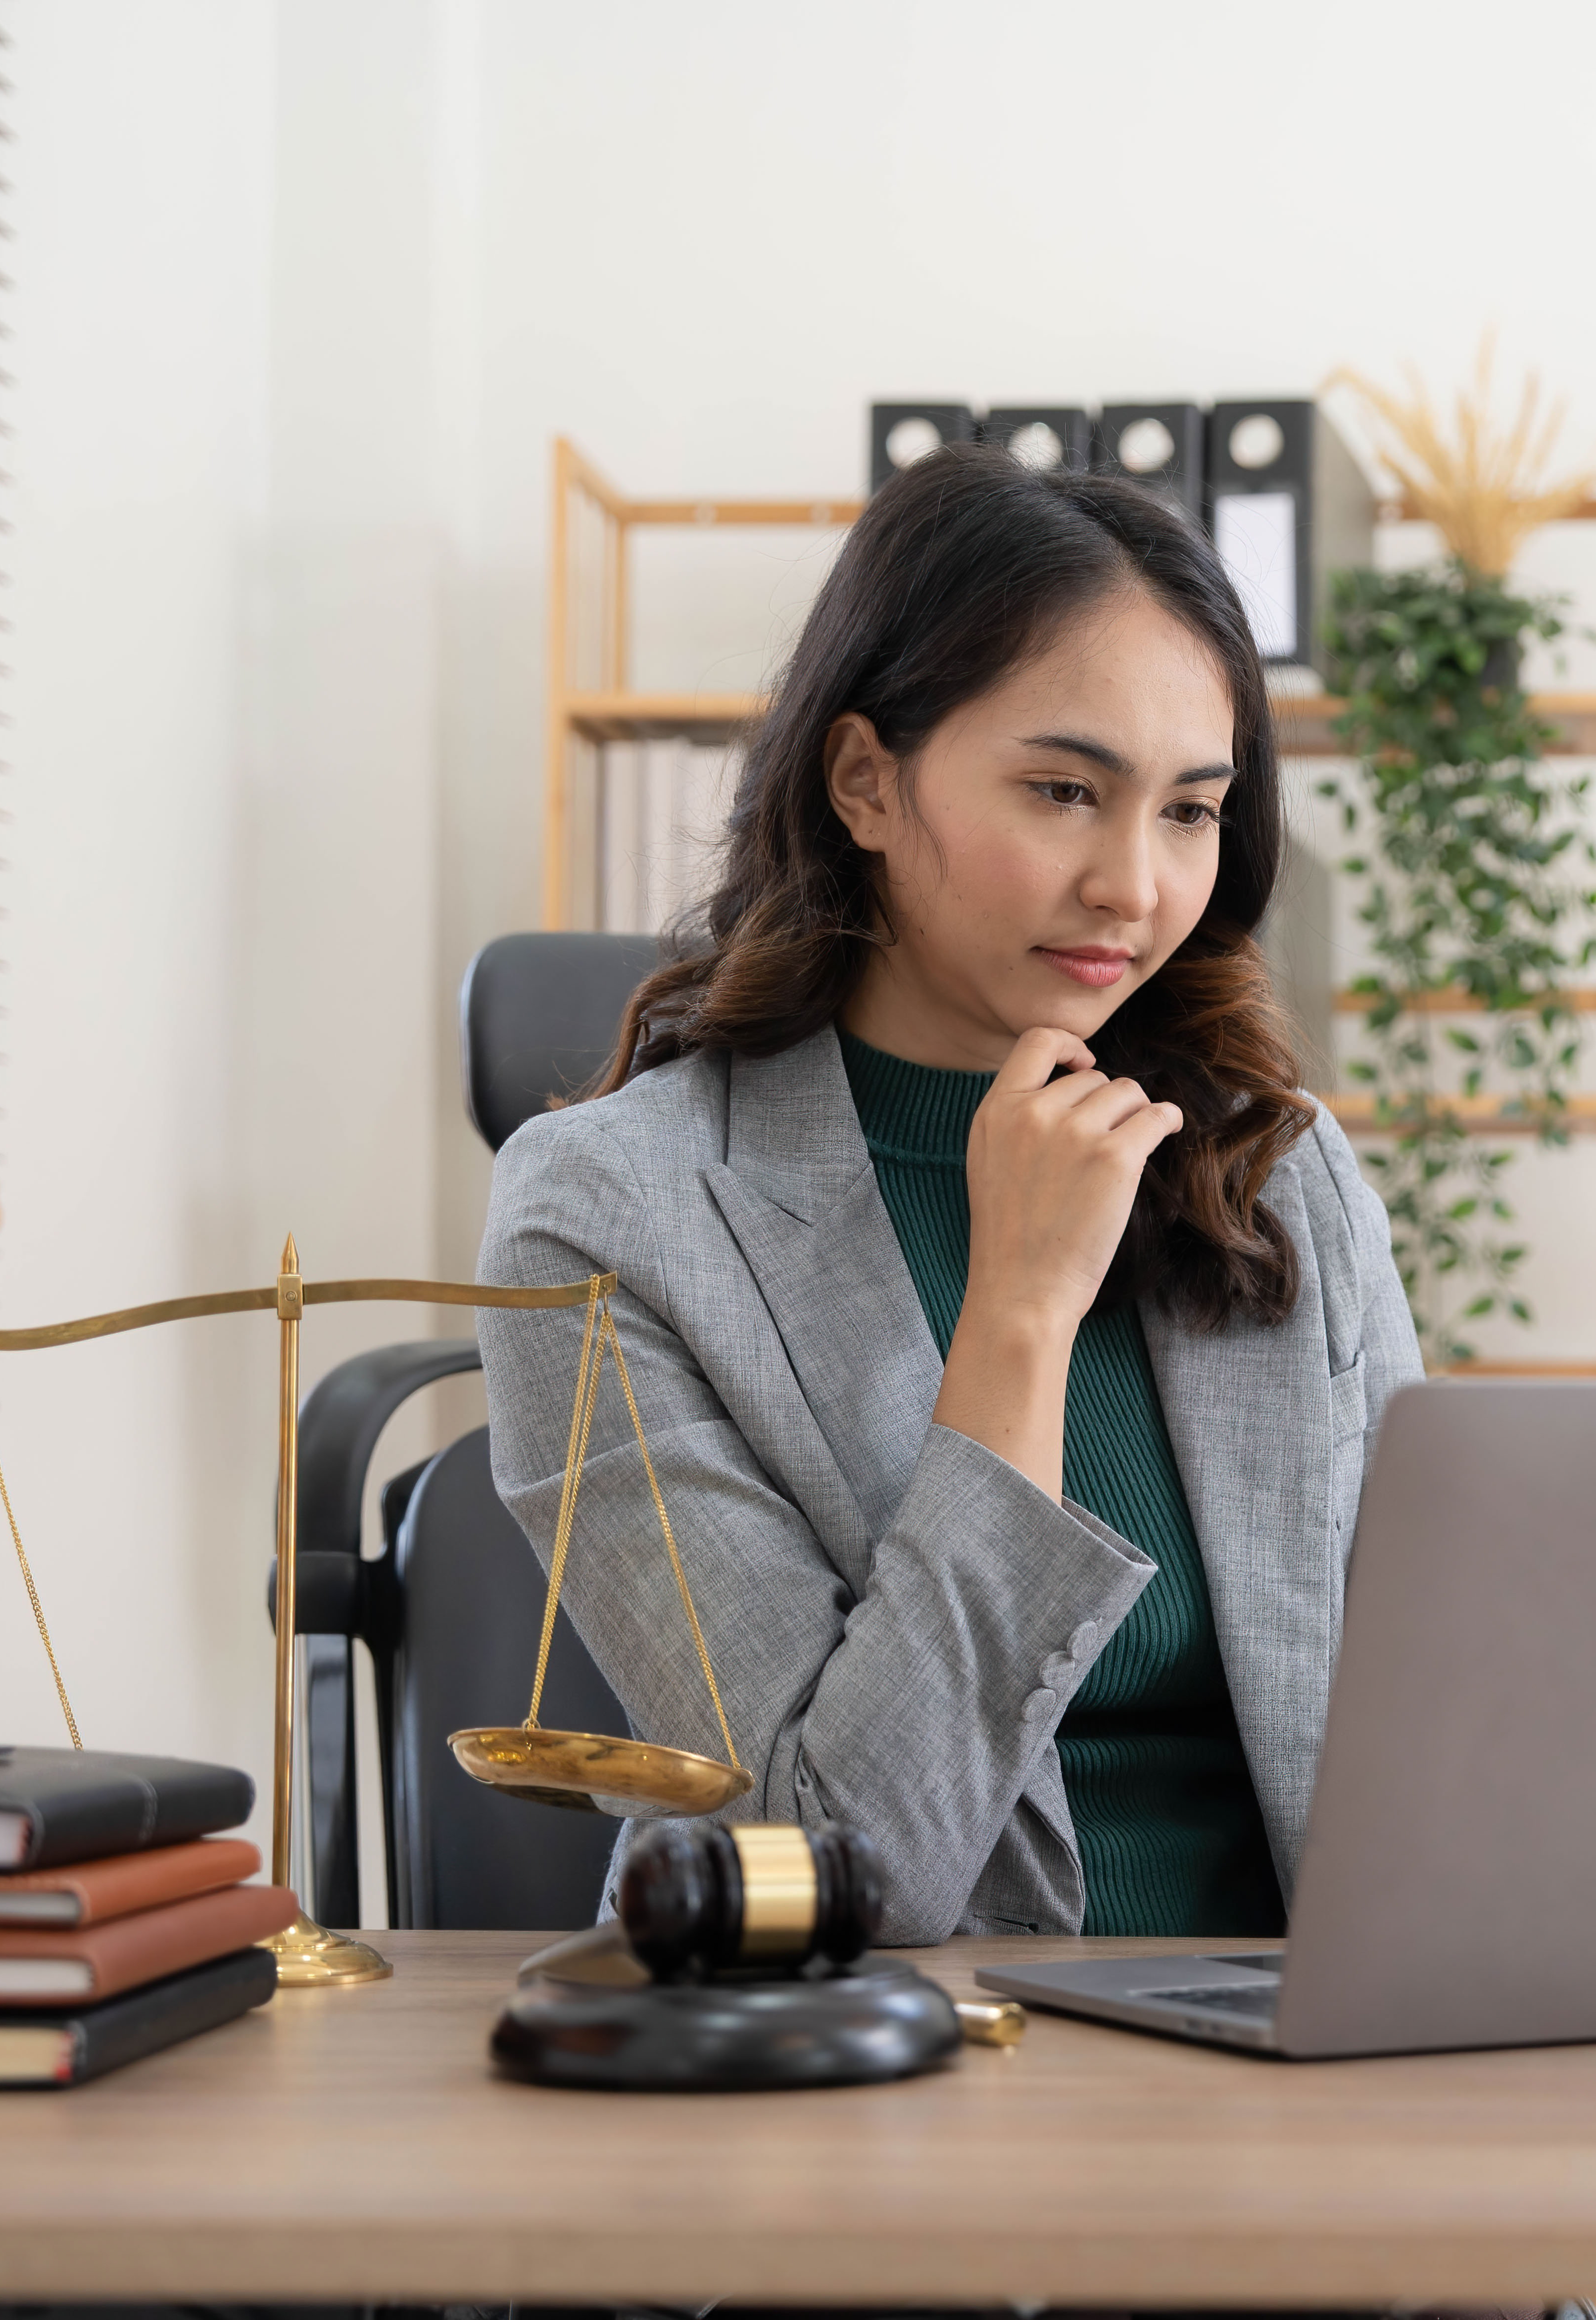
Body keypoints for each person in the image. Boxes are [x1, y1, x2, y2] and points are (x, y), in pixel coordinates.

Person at [478, 442, 1424, 1945]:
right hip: (886, 2082)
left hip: (1301, 2072)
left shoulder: (1278, 1171)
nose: (1136, 884)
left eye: (1191, 811)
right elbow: (835, 1866)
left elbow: (1438, 1732)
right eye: (1065, 791)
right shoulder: (606, 1218)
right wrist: (1023, 1317)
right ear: (864, 779)